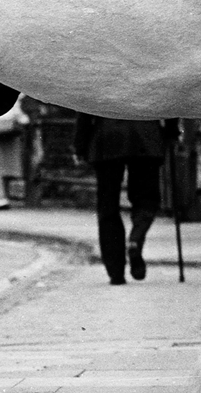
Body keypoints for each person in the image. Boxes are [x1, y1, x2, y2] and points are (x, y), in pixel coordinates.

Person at [73, 115, 177, 285]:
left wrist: (80, 144)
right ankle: (136, 238)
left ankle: (115, 272)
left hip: (106, 136)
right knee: (146, 198)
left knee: (108, 205)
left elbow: (84, 104)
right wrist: (172, 131)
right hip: (146, 135)